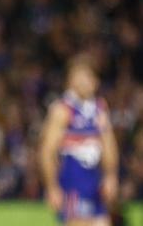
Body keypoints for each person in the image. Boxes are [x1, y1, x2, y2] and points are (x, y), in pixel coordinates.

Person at [40, 57, 119, 225]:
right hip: (72, 182)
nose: (83, 82)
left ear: (95, 81)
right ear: (70, 81)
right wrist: (52, 186)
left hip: (94, 182)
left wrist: (111, 175)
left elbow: (108, 144)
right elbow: (47, 152)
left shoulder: (99, 108)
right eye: (78, 77)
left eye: (87, 77)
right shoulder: (62, 110)